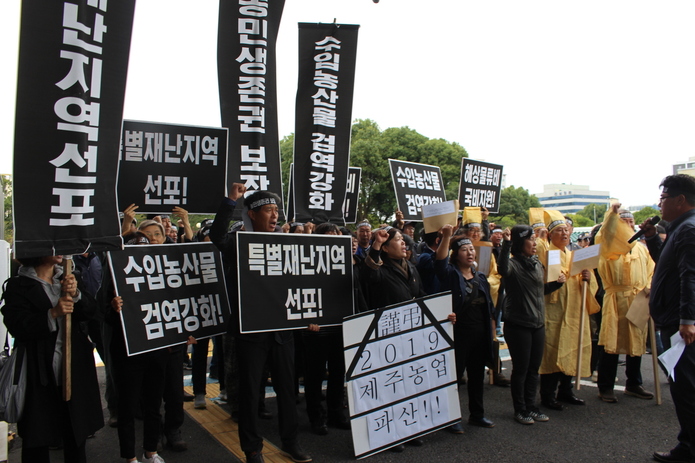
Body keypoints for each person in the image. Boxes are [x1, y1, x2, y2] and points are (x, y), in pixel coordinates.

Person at [210, 185, 312, 463]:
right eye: (269, 210)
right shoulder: (238, 242)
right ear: (252, 215)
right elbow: (216, 236)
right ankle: (252, 449)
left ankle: (290, 442)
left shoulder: (288, 243)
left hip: (282, 333)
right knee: (249, 391)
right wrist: (229, 200)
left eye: (277, 210)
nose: (275, 216)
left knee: (287, 390)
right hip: (250, 333)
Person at [1, 255, 103, 463]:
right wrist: (52, 314)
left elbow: (91, 312)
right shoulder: (17, 285)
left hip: (73, 369)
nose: (60, 250)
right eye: (52, 245)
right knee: (37, 437)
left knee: (75, 434)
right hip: (37, 373)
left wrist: (76, 294)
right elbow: (18, 325)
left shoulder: (69, 278)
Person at [640, 174, 695, 463]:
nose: (660, 204)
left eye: (663, 199)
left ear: (680, 200)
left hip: (679, 324)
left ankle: (690, 449)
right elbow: (668, 264)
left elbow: (690, 276)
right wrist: (651, 238)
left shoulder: (688, 229)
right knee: (683, 385)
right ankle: (687, 444)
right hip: (675, 320)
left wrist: (688, 319)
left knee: (686, 389)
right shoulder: (680, 227)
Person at [360, 226, 427, 450]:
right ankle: (390, 433)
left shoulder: (412, 268)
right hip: (387, 334)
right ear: (387, 249)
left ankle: (408, 428)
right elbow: (368, 275)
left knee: (409, 382)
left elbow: (422, 297)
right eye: (398, 240)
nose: (404, 244)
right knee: (390, 384)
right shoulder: (380, 267)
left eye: (403, 240)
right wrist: (376, 244)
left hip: (411, 333)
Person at [497, 226, 566, 424]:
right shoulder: (512, 265)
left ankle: (531, 406)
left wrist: (557, 284)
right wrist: (507, 243)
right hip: (518, 324)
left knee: (534, 368)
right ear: (520, 243)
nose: (535, 243)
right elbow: (502, 269)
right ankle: (520, 409)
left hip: (537, 323)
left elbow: (538, 291)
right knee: (521, 369)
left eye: (535, 239)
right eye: (531, 240)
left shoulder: (536, 264)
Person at [536, 210, 599, 411]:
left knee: (573, 347)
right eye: (559, 231)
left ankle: (566, 390)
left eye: (566, 231)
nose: (564, 234)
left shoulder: (574, 255)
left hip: (574, 310)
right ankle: (547, 394)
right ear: (550, 235)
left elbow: (590, 284)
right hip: (554, 310)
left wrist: (587, 278)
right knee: (552, 351)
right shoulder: (547, 254)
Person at [435, 225, 496, 431]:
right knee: (454, 377)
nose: (470, 253)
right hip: (458, 333)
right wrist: (446, 237)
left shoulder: (480, 277)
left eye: (471, 249)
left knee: (477, 376)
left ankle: (477, 415)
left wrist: (493, 331)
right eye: (464, 250)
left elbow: (490, 308)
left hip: (480, 333)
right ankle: (449, 419)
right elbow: (440, 262)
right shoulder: (451, 274)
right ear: (455, 254)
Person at [594, 204, 655, 403]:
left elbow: (651, 270)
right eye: (624, 223)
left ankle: (634, 383)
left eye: (631, 223)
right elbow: (606, 232)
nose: (629, 227)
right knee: (611, 344)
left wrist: (648, 288)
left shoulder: (641, 249)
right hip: (615, 300)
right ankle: (605, 386)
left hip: (638, 298)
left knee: (636, 342)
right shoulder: (609, 245)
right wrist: (612, 215)